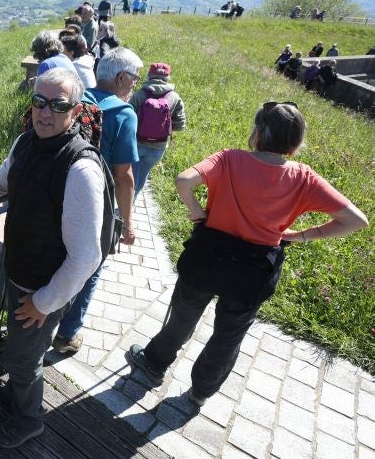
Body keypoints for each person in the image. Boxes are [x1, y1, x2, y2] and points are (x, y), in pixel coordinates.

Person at [126, 102, 368, 407]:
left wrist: (197, 213)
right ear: (295, 143)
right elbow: (356, 220)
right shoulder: (304, 178)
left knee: (183, 315)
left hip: (208, 253)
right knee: (229, 334)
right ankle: (201, 392)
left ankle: (154, 364)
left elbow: (184, 180)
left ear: (257, 132)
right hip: (255, 268)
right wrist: (298, 235)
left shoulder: (229, 158)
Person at [0, 67, 105, 448]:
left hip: (43, 288)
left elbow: (86, 256)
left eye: (58, 105)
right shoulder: (26, 142)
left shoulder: (79, 169)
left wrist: (44, 303)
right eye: (39, 102)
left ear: (75, 112)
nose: (45, 112)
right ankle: (18, 393)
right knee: (19, 350)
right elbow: (1, 180)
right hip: (20, 271)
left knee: (24, 359)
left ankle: (29, 418)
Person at [53, 47, 142, 354]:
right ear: (121, 77)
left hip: (57, 194)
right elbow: (124, 176)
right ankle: (67, 334)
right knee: (91, 264)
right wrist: (127, 223)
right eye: (134, 79)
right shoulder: (123, 114)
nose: (135, 85)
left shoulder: (77, 100)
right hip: (96, 205)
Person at [129, 63, 186, 197]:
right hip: (158, 146)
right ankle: (131, 202)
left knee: (132, 174)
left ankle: (124, 203)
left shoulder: (140, 94)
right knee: (143, 175)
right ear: (167, 77)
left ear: (149, 75)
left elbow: (128, 117)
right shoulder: (175, 98)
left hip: (137, 142)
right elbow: (180, 124)